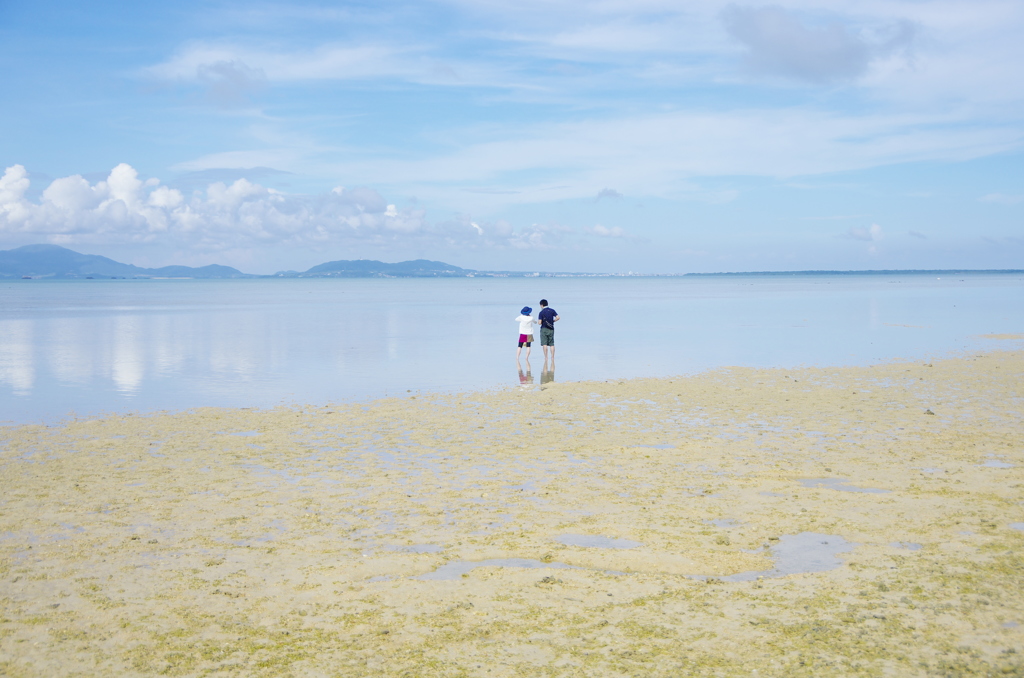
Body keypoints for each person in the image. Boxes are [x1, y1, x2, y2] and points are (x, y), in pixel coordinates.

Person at [538, 299, 559, 364]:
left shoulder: (541, 312)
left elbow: (539, 322)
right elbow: (558, 317)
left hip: (544, 329)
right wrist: (553, 321)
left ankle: (546, 357)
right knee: (552, 344)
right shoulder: (552, 310)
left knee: (544, 344)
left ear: (542, 305)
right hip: (551, 328)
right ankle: (552, 357)